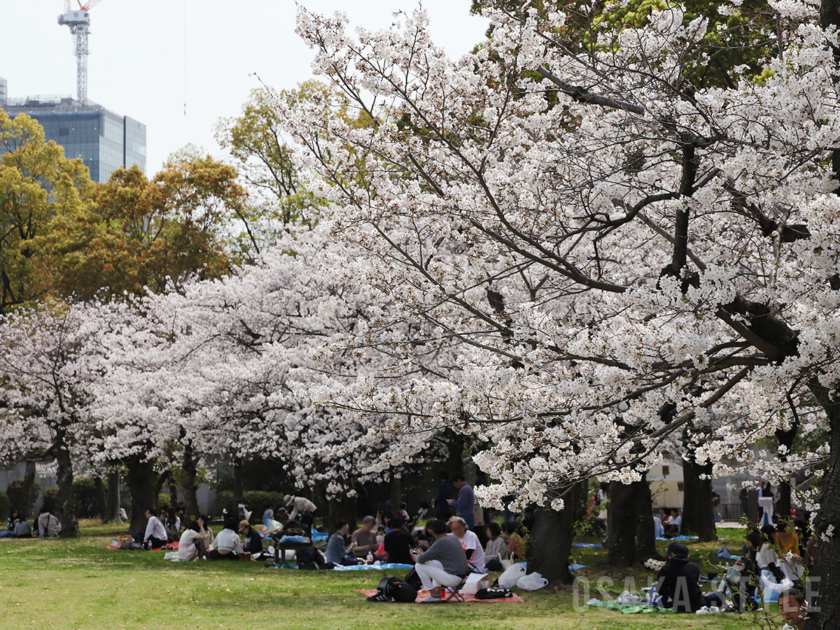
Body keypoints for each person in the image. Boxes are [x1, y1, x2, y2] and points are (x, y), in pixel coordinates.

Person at [411, 519, 471, 603]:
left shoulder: (440, 542)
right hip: (462, 577)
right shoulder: (453, 539)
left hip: (453, 579)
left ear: (433, 533)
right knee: (436, 563)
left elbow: (420, 560)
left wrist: (416, 557)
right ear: (446, 529)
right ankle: (437, 593)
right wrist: (424, 555)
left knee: (418, 565)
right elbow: (435, 557)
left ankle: (434, 595)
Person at [656, 543, 724, 612]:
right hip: (696, 604)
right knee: (718, 595)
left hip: (677, 605)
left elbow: (661, 591)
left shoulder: (666, 569)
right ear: (687, 556)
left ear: (672, 554)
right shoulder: (695, 567)